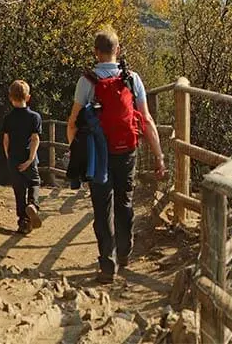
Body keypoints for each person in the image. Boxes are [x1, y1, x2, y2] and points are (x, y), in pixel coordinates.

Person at [67, 27, 166, 284]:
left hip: (98, 155)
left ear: (95, 53)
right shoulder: (132, 79)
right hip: (127, 151)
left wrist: (77, 152)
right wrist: (159, 156)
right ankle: (124, 250)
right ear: (117, 51)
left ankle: (107, 265)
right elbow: (146, 120)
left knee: (102, 207)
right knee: (125, 201)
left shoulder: (86, 81)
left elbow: (72, 122)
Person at [2, 80, 43, 234]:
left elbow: (6, 140)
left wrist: (9, 157)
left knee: (19, 191)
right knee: (34, 182)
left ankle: (23, 223)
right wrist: (30, 159)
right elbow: (35, 139)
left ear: (10, 98)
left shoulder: (8, 118)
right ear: (28, 97)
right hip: (28, 158)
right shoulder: (35, 117)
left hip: (13, 158)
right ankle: (33, 204)